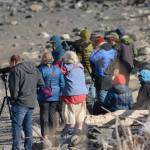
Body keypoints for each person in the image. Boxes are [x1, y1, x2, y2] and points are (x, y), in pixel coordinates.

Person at [9, 55, 44, 150]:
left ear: (14, 62)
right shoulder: (34, 68)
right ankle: (28, 147)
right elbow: (41, 83)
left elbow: (14, 89)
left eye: (10, 63)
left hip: (20, 103)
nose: (10, 66)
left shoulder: (15, 70)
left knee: (17, 127)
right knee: (27, 127)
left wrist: (13, 98)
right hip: (31, 102)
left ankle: (16, 148)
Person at [37, 52, 64, 139]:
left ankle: (45, 135)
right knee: (52, 114)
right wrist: (60, 93)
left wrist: (38, 93)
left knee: (44, 114)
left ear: (43, 59)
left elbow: (38, 83)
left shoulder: (40, 70)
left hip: (44, 95)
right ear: (52, 59)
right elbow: (62, 83)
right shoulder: (57, 69)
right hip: (55, 95)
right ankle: (53, 133)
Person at [60, 51, 88, 136]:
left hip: (70, 94)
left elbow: (59, 74)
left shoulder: (65, 68)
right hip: (82, 93)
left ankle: (70, 128)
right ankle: (79, 128)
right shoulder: (80, 67)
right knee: (80, 111)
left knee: (69, 111)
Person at [90, 36, 116, 114]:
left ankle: (104, 114)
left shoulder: (101, 51)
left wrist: (95, 50)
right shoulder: (112, 50)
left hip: (101, 77)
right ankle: (107, 112)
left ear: (98, 43)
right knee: (108, 95)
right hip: (110, 75)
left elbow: (92, 58)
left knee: (102, 97)